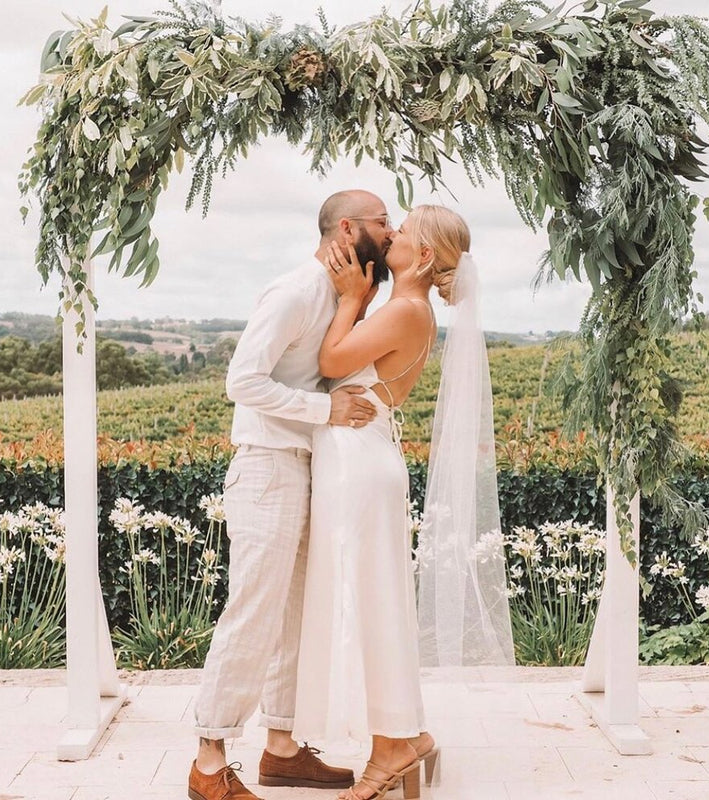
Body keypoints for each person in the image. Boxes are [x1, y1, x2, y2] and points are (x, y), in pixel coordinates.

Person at [188, 190, 394, 800]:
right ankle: (208, 761)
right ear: (349, 228)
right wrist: (323, 409)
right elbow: (242, 380)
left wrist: (357, 300)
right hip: (267, 467)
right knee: (253, 610)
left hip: (305, 466)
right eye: (383, 222)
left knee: (296, 614)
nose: (392, 230)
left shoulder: (342, 296)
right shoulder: (295, 291)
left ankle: (280, 747)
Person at [292, 205, 476, 800]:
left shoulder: (404, 310)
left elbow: (330, 364)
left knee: (365, 602)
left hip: (359, 467)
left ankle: (390, 749)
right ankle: (406, 736)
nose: (391, 233)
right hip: (361, 458)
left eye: (404, 232)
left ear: (423, 257)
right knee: (375, 599)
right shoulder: (406, 308)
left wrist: (348, 299)